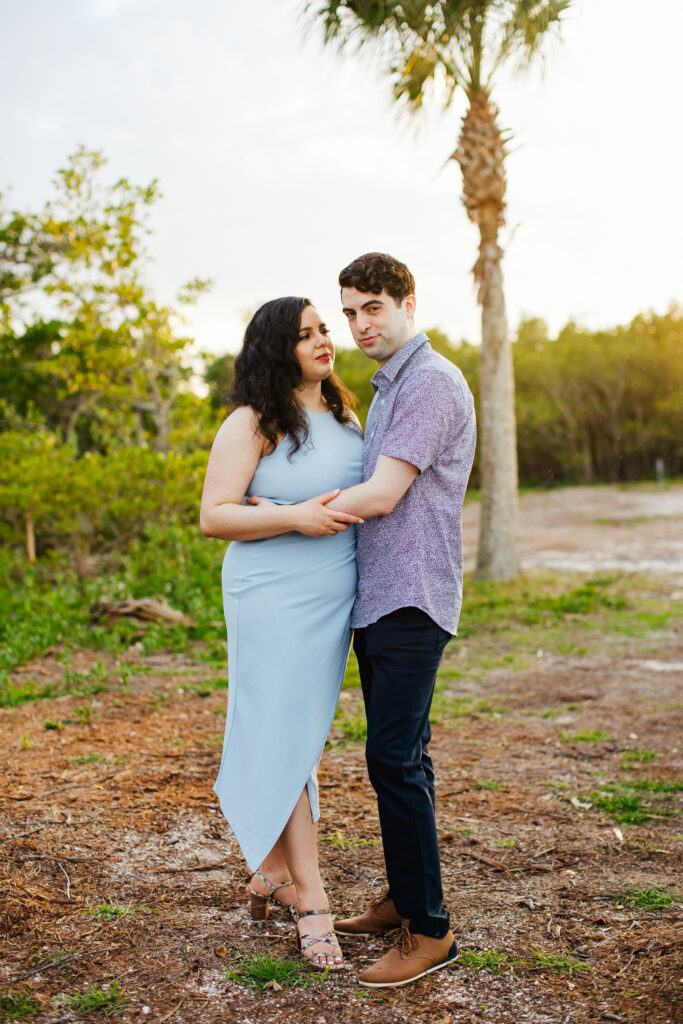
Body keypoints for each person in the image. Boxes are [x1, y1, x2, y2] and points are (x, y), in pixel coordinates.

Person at [259, 252, 476, 987]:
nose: (357, 326)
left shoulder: (429, 383)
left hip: (411, 596)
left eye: (371, 309)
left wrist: (284, 516)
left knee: (391, 760)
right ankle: (402, 898)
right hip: (379, 596)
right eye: (348, 312)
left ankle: (429, 931)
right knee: (400, 759)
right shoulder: (387, 389)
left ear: (408, 302)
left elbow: (381, 494)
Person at [199, 296, 364, 970]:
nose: (324, 341)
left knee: (300, 733)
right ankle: (312, 899)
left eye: (325, 329)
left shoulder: (347, 414)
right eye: (305, 336)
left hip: (332, 597)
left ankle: (269, 870)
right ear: (276, 349)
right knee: (285, 734)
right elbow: (213, 515)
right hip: (268, 593)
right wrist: (292, 518)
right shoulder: (254, 421)